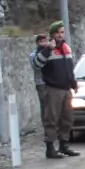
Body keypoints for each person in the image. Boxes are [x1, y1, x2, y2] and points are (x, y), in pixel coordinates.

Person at [33, 20, 80, 159]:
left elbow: (69, 69)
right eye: (58, 32)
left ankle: (64, 146)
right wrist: (47, 50)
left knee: (67, 118)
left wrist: (73, 83)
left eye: (62, 32)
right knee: (51, 119)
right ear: (52, 34)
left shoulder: (67, 48)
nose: (60, 35)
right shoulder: (46, 49)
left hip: (66, 89)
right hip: (53, 89)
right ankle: (50, 148)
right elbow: (37, 64)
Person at [30, 33, 48, 125]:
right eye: (41, 41)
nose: (43, 43)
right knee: (45, 105)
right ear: (37, 43)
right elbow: (37, 67)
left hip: (51, 82)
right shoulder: (33, 55)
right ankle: (46, 126)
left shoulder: (50, 52)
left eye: (45, 41)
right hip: (41, 83)